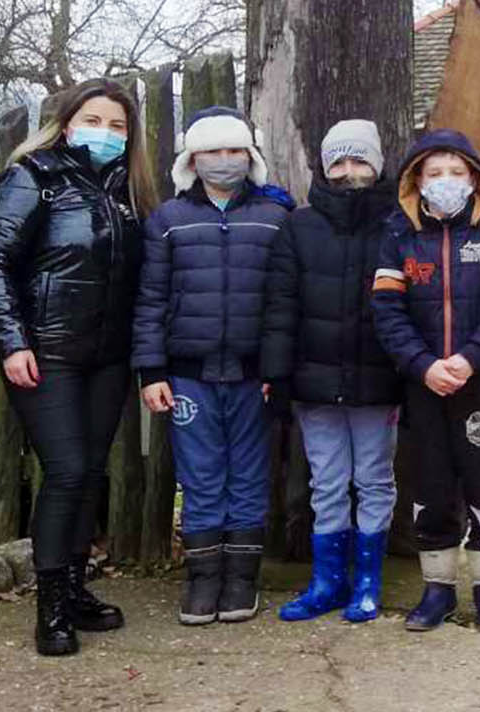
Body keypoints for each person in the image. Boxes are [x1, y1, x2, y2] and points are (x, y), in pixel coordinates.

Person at [0, 78, 156, 657]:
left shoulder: (128, 190)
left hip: (107, 357)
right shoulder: (32, 176)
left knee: (91, 473)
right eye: (94, 121)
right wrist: (13, 341)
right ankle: (51, 605)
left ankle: (77, 589)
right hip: (46, 351)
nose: (105, 133)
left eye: (117, 126)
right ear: (67, 122)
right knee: (67, 470)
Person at [132, 106, 294, 627]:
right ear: (192, 159)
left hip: (252, 375)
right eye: (213, 151)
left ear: (250, 157)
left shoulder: (274, 219)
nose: (224, 160)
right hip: (189, 375)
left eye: (234, 151)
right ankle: (202, 578)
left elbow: (283, 303)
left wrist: (276, 370)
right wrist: (152, 371)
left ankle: (241, 577)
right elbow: (150, 301)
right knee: (200, 475)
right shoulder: (168, 221)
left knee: (248, 474)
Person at [371, 129, 480, 633]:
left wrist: (469, 358)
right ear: (416, 181)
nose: (445, 180)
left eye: (456, 172)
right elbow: (387, 310)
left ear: (474, 178)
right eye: (434, 172)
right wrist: (423, 365)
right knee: (430, 482)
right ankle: (437, 588)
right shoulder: (399, 234)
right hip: (424, 384)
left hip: (479, 382)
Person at [262, 120, 401, 624]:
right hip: (315, 382)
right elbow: (281, 306)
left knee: (374, 478)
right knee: (326, 481)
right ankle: (328, 581)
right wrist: (278, 375)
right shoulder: (298, 227)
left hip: (377, 380)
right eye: (338, 162)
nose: (348, 171)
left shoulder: (398, 225)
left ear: (377, 164)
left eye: (359, 160)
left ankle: (367, 580)